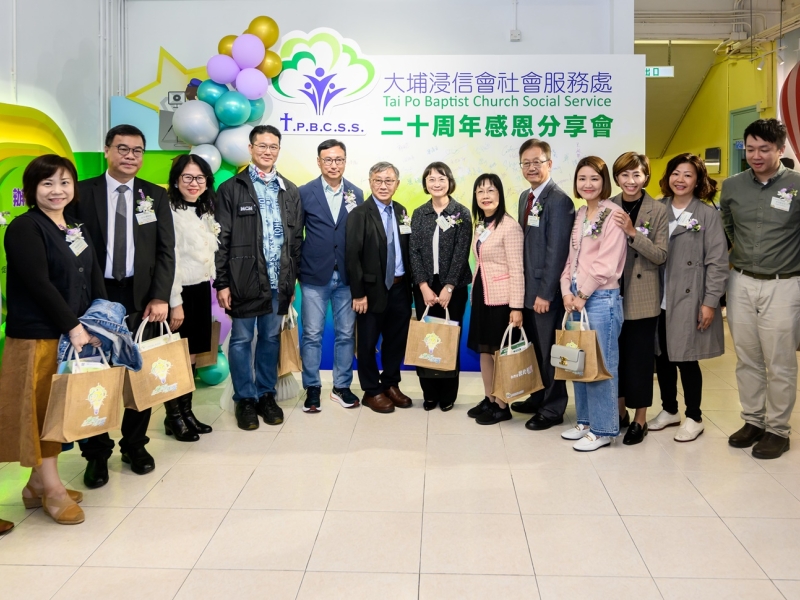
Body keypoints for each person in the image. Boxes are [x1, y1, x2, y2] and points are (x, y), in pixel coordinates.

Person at [0, 154, 106, 524]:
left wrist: (101, 317)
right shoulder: (25, 228)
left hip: (71, 334)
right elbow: (39, 285)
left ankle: (36, 485)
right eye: (47, 183)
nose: (57, 190)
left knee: (58, 411)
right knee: (42, 413)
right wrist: (73, 327)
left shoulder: (74, 226)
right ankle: (53, 490)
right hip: (39, 338)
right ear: (32, 190)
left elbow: (92, 272)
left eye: (64, 182)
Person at [75, 124, 175, 488]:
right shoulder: (81, 192)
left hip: (140, 298)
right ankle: (96, 454)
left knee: (139, 373)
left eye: (137, 150)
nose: (130, 156)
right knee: (94, 375)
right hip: (94, 299)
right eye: (122, 148)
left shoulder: (154, 195)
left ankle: (134, 445)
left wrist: (160, 296)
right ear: (106, 150)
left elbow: (166, 250)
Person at [721, 118, 800, 459]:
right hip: (740, 281)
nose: (755, 155)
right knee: (747, 357)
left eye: (764, 149)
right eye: (750, 148)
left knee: (779, 361)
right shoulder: (732, 186)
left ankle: (778, 430)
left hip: (784, 284)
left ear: (780, 150)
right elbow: (728, 226)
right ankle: (753, 420)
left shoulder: (796, 185)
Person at [215, 124, 303, 431]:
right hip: (243, 279)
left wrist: (291, 281)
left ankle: (266, 394)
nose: (268, 151)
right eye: (262, 145)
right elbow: (221, 239)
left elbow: (296, 241)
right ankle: (245, 399)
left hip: (279, 281)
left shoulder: (290, 190)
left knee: (270, 338)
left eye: (273, 146)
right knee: (241, 340)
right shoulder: (231, 188)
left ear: (279, 150)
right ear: (251, 149)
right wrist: (222, 282)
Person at [648, 153, 728, 443]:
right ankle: (670, 410)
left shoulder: (706, 214)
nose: (680, 180)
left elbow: (718, 263)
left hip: (690, 298)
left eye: (688, 175)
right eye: (675, 173)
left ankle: (694, 416)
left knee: (687, 358)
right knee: (663, 357)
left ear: (698, 180)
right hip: (657, 296)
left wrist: (710, 302)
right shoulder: (657, 208)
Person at [559, 157, 626, 451]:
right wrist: (566, 291)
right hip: (576, 297)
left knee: (602, 365)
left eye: (594, 178)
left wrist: (582, 294)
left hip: (600, 298)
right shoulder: (581, 213)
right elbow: (571, 259)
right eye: (582, 178)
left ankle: (604, 430)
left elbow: (606, 264)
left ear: (604, 182)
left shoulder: (613, 214)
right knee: (578, 363)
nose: (587, 184)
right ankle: (585, 422)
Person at [512, 139, 574, 430]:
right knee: (534, 349)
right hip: (527, 290)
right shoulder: (525, 197)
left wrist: (546, 293)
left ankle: (552, 408)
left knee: (550, 352)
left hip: (544, 294)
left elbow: (557, 252)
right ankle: (537, 397)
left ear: (549, 163)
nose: (531, 167)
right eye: (526, 163)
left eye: (537, 162)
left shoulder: (559, 200)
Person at [298, 140, 364, 412]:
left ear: (345, 161)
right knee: (312, 334)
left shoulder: (356, 193)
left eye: (339, 160)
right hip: (314, 275)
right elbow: (295, 235)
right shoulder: (304, 192)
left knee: (346, 334)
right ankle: (312, 387)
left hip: (347, 277)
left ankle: (341, 386)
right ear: (319, 162)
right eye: (328, 160)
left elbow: (359, 237)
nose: (334, 165)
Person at [609, 152, 668, 445]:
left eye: (637, 174)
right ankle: (620, 413)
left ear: (646, 176)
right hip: (610, 294)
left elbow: (661, 255)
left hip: (643, 297)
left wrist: (633, 233)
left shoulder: (658, 210)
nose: (630, 181)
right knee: (615, 358)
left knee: (640, 361)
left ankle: (640, 419)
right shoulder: (608, 206)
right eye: (624, 174)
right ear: (616, 178)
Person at [345, 162, 413, 413]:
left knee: (396, 341)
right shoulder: (359, 214)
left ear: (397, 184)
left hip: (400, 288)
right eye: (378, 180)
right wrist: (358, 293)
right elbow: (352, 257)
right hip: (371, 291)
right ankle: (371, 390)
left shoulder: (402, 211)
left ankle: (390, 384)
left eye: (389, 181)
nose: (383, 186)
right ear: (370, 182)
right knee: (367, 343)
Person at [409, 162, 472, 411]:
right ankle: (429, 393)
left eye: (441, 179)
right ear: (426, 183)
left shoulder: (461, 212)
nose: (436, 183)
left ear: (450, 182)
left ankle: (447, 394)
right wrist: (423, 286)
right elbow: (413, 251)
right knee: (426, 339)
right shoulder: (419, 213)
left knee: (448, 339)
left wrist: (449, 286)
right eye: (431, 179)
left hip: (453, 286)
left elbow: (461, 252)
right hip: (425, 285)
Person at [165, 154, 218, 441]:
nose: (194, 183)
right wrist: (175, 302)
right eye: (187, 177)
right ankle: (173, 416)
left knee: (193, 353)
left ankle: (186, 412)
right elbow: (168, 260)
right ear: (176, 180)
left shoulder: (204, 211)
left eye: (200, 178)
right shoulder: (169, 212)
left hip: (200, 289)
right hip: (179, 291)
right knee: (177, 356)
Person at [466, 174, 525, 425]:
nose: (485, 196)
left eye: (491, 190)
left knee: (500, 354)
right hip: (482, 296)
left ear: (500, 194)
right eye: (480, 191)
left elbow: (517, 269)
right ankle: (489, 399)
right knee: (484, 351)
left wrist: (516, 307)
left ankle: (502, 405)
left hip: (502, 301)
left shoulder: (509, 226)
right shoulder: (481, 224)